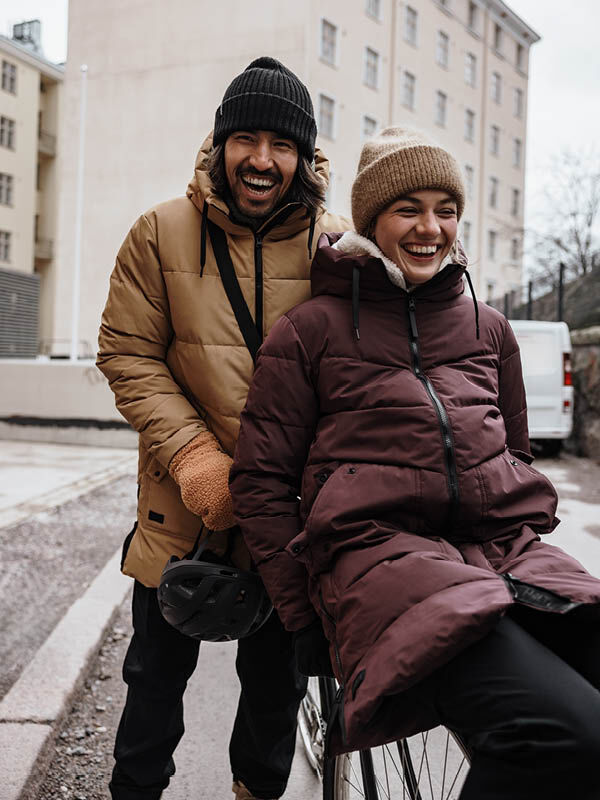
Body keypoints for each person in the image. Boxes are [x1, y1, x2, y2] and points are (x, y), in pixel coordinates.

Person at [229, 126, 600, 800]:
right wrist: (300, 617)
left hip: (503, 554)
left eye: (446, 209)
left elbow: (512, 457)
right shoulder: (311, 330)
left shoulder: (489, 328)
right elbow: (262, 481)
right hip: (381, 563)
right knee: (565, 735)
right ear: (372, 218)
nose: (432, 228)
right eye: (409, 209)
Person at [96, 56, 349, 800]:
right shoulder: (160, 232)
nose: (262, 160)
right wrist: (192, 453)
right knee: (151, 686)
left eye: (282, 144)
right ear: (220, 144)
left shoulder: (335, 248)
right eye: (246, 139)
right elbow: (126, 350)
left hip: (289, 519)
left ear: (303, 156)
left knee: (276, 690)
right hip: (184, 507)